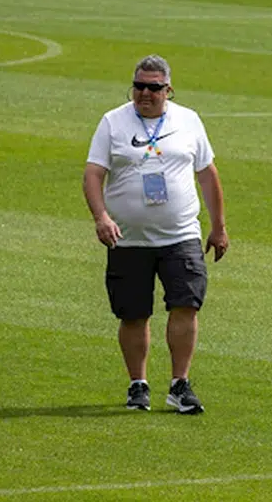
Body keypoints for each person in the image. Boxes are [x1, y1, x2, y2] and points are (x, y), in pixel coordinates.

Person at [83, 54, 228, 414]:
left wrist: (219, 227)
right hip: (128, 237)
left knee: (186, 305)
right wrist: (101, 217)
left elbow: (207, 174)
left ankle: (180, 384)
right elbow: (93, 174)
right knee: (133, 314)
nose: (145, 94)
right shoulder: (113, 122)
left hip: (181, 234)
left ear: (169, 90)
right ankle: (138, 385)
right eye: (139, 86)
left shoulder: (189, 121)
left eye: (153, 87)